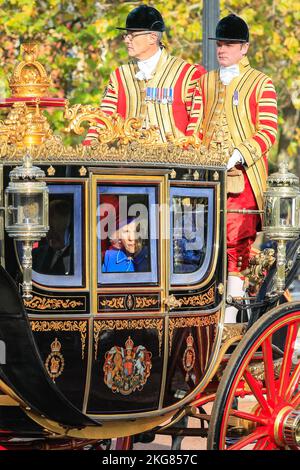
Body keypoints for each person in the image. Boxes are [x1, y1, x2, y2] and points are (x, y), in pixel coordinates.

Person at [197, 14, 278, 322]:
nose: (222, 50)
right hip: (206, 178)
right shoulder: (204, 82)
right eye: (220, 44)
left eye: (229, 44)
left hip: (241, 178)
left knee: (234, 239)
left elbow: (268, 131)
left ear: (244, 48)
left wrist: (238, 154)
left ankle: (231, 315)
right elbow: (194, 127)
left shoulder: (261, 83)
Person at [83, 4, 206, 145]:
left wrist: (188, 158)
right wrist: (88, 151)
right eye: (126, 34)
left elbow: (196, 123)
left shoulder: (187, 74)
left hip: (173, 163)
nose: (126, 40)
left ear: (152, 37)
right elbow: (103, 120)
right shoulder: (119, 75)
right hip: (127, 163)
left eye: (132, 35)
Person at [32, 199, 73, 276]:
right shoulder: (36, 255)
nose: (51, 234)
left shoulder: (78, 258)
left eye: (55, 229)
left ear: (68, 229)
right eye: (48, 228)